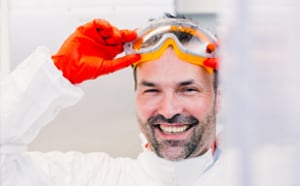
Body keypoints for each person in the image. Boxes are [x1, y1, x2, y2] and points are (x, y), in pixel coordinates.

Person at [1, 14, 222, 186]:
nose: (169, 109)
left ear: (218, 98)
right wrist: (52, 75)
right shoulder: (90, 179)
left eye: (189, 89)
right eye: (152, 91)